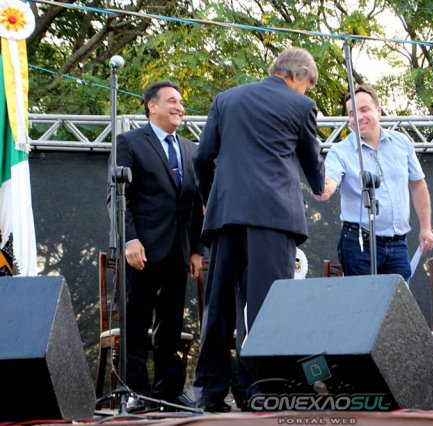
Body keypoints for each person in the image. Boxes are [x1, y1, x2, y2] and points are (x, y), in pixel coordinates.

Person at [192, 47, 325, 412]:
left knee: (218, 305)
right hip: (274, 217)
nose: (306, 92)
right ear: (297, 76)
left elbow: (202, 157)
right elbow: (311, 158)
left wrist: (211, 199)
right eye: (307, 85)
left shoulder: (226, 99)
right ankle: (262, 391)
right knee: (268, 307)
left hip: (226, 215)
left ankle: (210, 392)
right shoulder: (301, 106)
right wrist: (319, 185)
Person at [114, 80, 203, 411]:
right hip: (143, 251)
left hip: (179, 251)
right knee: (137, 322)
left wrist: (196, 249)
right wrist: (130, 239)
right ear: (152, 106)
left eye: (181, 102)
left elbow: (194, 205)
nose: (180, 107)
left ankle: (169, 391)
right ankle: (135, 391)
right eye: (172, 101)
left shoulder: (191, 149)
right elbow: (119, 196)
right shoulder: (130, 142)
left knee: (172, 324)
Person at [314, 85, 433, 279]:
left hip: (398, 244)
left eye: (364, 110)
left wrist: (426, 227)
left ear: (378, 111)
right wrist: (324, 189)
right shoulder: (340, 151)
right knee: (364, 299)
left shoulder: (402, 142)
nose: (358, 117)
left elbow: (418, 184)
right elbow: (330, 180)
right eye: (352, 113)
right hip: (359, 243)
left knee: (399, 298)